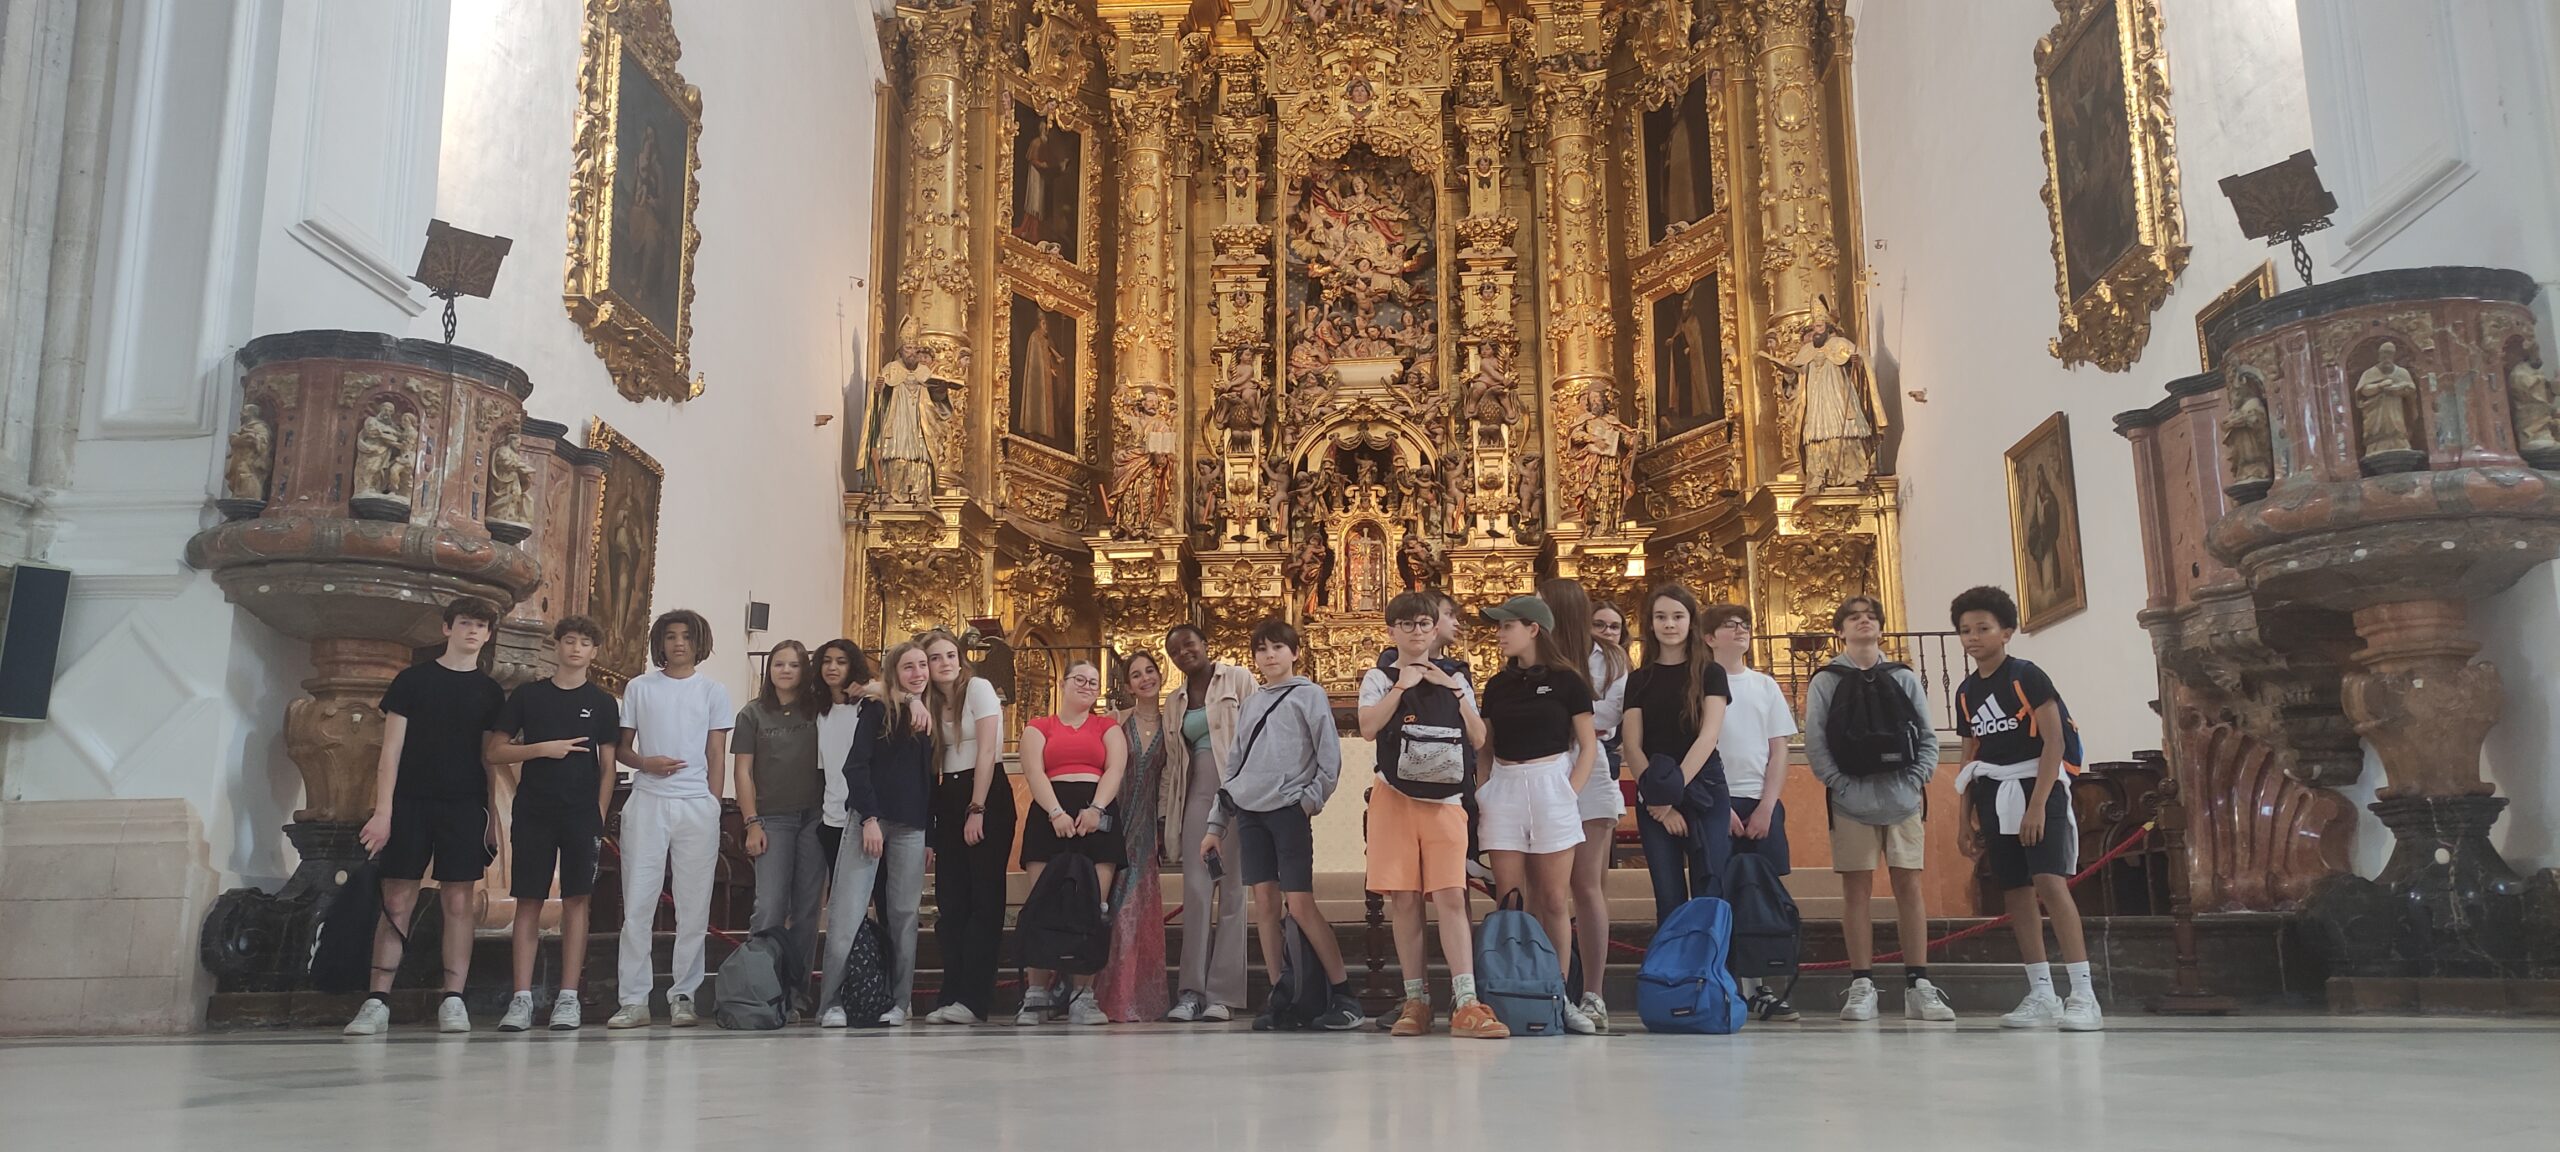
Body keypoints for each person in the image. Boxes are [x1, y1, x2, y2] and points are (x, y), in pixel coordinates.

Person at [344, 598, 507, 1037]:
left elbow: (488, 759)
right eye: (465, 623)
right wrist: (383, 812)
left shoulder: (490, 692)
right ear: (447, 627)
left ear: (489, 635)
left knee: (458, 901)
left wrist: (492, 815)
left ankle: (453, 999)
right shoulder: (412, 680)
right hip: (411, 800)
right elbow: (390, 752)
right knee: (397, 898)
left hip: (464, 803)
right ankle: (377, 1000)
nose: (473, 631)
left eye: (481, 626)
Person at [1949, 586, 2102, 1032]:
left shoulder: (2026, 675)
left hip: (2040, 786)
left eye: (1983, 628)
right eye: (1965, 631)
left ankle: (2083, 994)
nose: (1973, 637)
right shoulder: (1966, 691)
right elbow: (1968, 757)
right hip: (1993, 793)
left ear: (2007, 631)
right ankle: (2041, 993)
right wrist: (1963, 819)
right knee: (2014, 891)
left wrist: (2037, 806)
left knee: (2051, 884)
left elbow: (2053, 740)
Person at [1358, 591, 1508, 1039]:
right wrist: (1402, 684)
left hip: (1445, 800)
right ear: (1391, 631)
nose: (1417, 632)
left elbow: (1479, 737)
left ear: (1434, 628)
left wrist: (1451, 690)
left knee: (1449, 896)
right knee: (1403, 899)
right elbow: (1367, 727)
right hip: (1394, 797)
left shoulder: (1458, 675)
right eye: (1406, 625)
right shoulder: (1378, 677)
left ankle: (1466, 1000)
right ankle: (1416, 999)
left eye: (1424, 624)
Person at [1201, 620, 1363, 1032]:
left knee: (1300, 905)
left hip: (1288, 810)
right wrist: (1216, 825)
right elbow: (1234, 764)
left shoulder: (1309, 695)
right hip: (1249, 812)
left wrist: (1308, 801)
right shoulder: (1253, 701)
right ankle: (1281, 993)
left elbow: (1329, 758)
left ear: (1294, 652)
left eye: (1277, 647)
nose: (1269, 655)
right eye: (1261, 649)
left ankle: (1344, 993)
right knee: (1266, 905)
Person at [1802, 596, 1952, 1024]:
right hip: (1851, 802)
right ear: (1841, 630)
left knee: (1909, 888)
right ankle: (1862, 983)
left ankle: (1918, 983)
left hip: (1903, 800)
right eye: (1854, 618)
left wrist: (1916, 778)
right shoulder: (1826, 680)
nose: (1863, 622)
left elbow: (1926, 734)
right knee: (1857, 893)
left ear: (1881, 629)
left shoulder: (1902, 676)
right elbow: (1816, 740)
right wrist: (1841, 783)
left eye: (1870, 617)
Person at [1475, 594, 1604, 1035]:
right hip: (1506, 785)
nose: (1499, 633)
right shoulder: (1496, 685)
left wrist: (1569, 791)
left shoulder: (1568, 681)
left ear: (1533, 628)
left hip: (1552, 779)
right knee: (1509, 899)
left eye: (1506, 625)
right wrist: (1484, 792)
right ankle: (1509, 989)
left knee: (1552, 898)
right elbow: (1486, 749)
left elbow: (1587, 744)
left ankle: (1558, 994)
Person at [486, 615, 621, 1033]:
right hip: (534, 811)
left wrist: (598, 814)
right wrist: (543, 749)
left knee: (578, 900)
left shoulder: (602, 703)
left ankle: (568, 997)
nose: (576, 648)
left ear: (594, 652)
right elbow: (496, 751)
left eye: (584, 642)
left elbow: (608, 767)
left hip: (581, 814)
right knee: (529, 900)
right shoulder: (529, 696)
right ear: (557, 646)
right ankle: (522, 997)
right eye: (569, 641)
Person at [607, 610, 734, 1030]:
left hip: (696, 805)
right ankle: (634, 998)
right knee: (639, 903)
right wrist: (647, 762)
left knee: (694, 907)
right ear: (659, 643)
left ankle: (683, 994)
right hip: (647, 801)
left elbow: (716, 754)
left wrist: (712, 804)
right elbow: (622, 750)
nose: (678, 644)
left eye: (686, 637)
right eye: (670, 637)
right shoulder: (640, 687)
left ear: (699, 643)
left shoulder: (713, 690)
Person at [818, 641, 935, 1026]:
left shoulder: (929, 714)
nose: (918, 673)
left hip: (911, 826)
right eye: (909, 667)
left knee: (903, 916)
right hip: (869, 820)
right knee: (846, 912)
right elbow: (856, 767)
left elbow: (927, 782)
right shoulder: (877, 709)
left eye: (922, 665)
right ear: (894, 673)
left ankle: (900, 1003)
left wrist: (929, 836)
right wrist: (869, 818)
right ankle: (830, 1002)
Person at [1016, 660, 1130, 1026]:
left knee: (1091, 906)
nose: (1086, 686)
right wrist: (1055, 812)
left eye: (1093, 683)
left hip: (1096, 815)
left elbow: (1115, 770)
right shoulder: (1038, 726)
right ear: (1063, 684)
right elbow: (1034, 771)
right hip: (1050, 813)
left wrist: (1097, 808)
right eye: (1079, 679)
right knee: (1041, 905)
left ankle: (1083, 994)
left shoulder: (1107, 728)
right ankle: (1036, 992)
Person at [1702, 603, 1800, 1021]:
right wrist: (1718, 806)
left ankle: (1760, 988)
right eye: (1729, 625)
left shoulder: (1764, 685)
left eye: (1745, 625)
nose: (1740, 631)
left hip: (1759, 801)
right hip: (1713, 802)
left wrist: (1766, 805)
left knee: (1761, 895)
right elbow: (1700, 746)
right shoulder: (1700, 684)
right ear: (1709, 637)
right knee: (1721, 892)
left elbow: (1779, 749)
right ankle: (1725, 983)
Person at [1539, 578, 1627, 1032]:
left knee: (1586, 884)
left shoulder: (1607, 658)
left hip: (1589, 773)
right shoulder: (1535, 652)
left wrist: (1570, 716)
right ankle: (1548, 986)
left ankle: (1593, 992)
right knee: (1546, 889)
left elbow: (1609, 716)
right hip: (1542, 769)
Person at [1161, 623, 1258, 1023]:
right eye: (1176, 651)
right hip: (1195, 794)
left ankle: (1222, 994)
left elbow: (1258, 732)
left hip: (1236, 791)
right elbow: (1171, 763)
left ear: (1205, 645)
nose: (1185, 653)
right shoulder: (1175, 700)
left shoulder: (1237, 678)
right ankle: (1190, 991)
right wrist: (1165, 816)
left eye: (1190, 645)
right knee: (1198, 892)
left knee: (1233, 894)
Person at [1619, 585, 1730, 933]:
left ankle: (1712, 980)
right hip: (1654, 795)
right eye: (1661, 617)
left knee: (1709, 890)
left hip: (1705, 788)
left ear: (1691, 622)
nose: (1670, 624)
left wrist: (1671, 792)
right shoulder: (1639, 679)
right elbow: (1632, 745)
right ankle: (1673, 982)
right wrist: (1660, 801)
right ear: (1650, 624)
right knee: (1668, 896)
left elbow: (1708, 736)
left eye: (1678, 616)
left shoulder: (1711, 673)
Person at [732, 641, 830, 1020]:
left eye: (794, 664)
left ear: (805, 670)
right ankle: (761, 987)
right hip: (771, 818)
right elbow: (743, 771)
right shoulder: (752, 714)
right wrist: (751, 821)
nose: (786, 670)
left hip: (815, 817)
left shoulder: (818, 710)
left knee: (807, 910)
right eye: (778, 664)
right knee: (770, 906)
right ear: (768, 669)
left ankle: (796, 991)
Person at [922, 630, 1013, 1026]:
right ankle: (953, 991)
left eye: (951, 654)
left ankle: (976, 998)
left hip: (986, 792)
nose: (946, 662)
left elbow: (989, 750)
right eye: (936, 657)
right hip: (950, 795)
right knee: (952, 900)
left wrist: (976, 808)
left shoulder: (977, 687)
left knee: (983, 900)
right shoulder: (925, 701)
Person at [1095, 651, 1172, 1022]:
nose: (1145, 679)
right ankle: (1098, 993)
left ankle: (1132, 996)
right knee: (1108, 904)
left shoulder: (1172, 725)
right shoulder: (1114, 723)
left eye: (1150, 671)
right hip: (1113, 820)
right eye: (1136, 675)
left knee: (1135, 908)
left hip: (1145, 827)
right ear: (1127, 686)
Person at [813, 639, 874, 878]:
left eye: (841, 662)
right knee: (838, 891)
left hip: (863, 814)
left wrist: (869, 688)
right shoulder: (819, 712)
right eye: (826, 662)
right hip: (832, 816)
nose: (832, 667)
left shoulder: (867, 707)